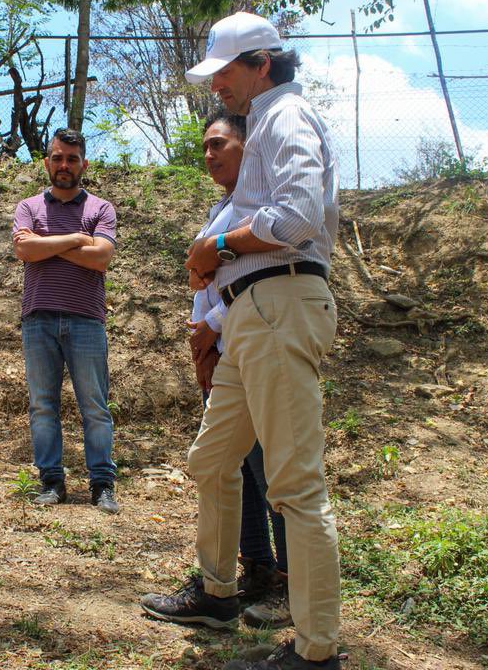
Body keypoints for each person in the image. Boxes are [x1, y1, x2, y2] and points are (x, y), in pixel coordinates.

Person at [140, 11, 340, 670]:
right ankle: (219, 593)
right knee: (213, 459)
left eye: (225, 71)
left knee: (295, 487)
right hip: (252, 315)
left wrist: (217, 244)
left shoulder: (285, 118)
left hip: (281, 304)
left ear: (261, 63)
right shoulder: (265, 126)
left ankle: (317, 652)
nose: (217, 85)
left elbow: (300, 215)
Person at [189, 111, 290, 625]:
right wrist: (202, 343)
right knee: (233, 470)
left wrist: (211, 324)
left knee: (271, 471)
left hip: (250, 340)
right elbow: (205, 282)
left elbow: (263, 277)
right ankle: (256, 569)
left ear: (248, 147)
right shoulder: (221, 208)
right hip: (223, 353)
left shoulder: (262, 205)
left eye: (220, 145)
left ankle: (290, 587)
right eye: (205, 147)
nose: (210, 155)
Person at [12, 128, 121, 515]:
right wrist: (78, 238)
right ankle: (51, 482)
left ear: (84, 164)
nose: (64, 165)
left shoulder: (102, 209)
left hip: (87, 319)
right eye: (57, 157)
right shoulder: (28, 207)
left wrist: (48, 245)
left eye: (72, 159)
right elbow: (24, 249)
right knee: (43, 405)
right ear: (47, 162)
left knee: (95, 405)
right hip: (38, 318)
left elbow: (102, 258)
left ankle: (102, 484)